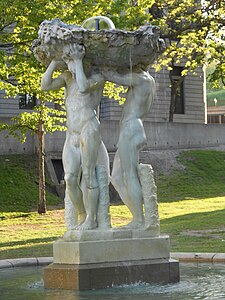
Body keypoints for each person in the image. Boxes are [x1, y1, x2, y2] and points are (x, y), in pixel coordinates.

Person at [41, 43, 107, 230]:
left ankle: (92, 219)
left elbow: (84, 88)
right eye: (68, 60)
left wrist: (78, 60)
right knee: (69, 178)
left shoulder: (97, 77)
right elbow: (44, 86)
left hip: (89, 129)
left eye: (72, 60)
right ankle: (82, 213)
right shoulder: (67, 78)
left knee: (89, 176)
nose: (69, 64)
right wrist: (54, 62)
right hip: (72, 135)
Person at [103, 69, 156, 229]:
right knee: (117, 177)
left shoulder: (140, 78)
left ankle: (139, 219)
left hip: (131, 128)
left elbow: (112, 76)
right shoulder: (149, 79)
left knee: (129, 174)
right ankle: (137, 216)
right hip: (132, 129)